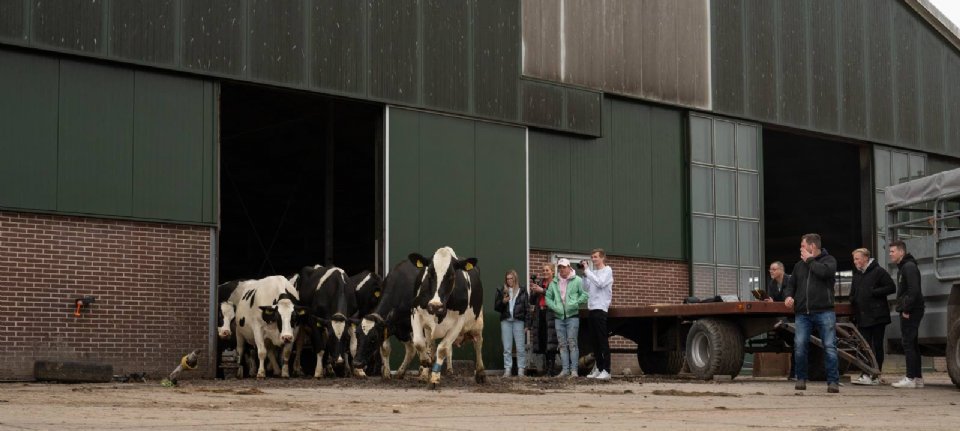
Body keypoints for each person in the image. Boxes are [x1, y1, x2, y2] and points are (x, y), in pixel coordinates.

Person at [784, 233, 840, 393]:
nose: (800, 249)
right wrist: (788, 296)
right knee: (800, 346)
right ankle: (801, 378)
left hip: (825, 312)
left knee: (829, 346)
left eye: (802, 246)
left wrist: (810, 260)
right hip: (803, 313)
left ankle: (833, 382)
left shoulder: (829, 261)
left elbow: (824, 273)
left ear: (812, 246)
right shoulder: (798, 266)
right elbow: (791, 285)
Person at [849, 248, 896, 386]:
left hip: (877, 316)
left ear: (866, 258)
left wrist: (873, 292)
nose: (855, 262)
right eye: (854, 259)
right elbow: (853, 292)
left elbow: (891, 287)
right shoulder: (857, 274)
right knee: (864, 346)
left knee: (876, 346)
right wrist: (853, 299)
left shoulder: (878, 271)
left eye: (857, 259)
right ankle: (865, 374)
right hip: (863, 317)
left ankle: (875, 374)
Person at [889, 240, 925, 389]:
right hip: (912, 309)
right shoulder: (904, 267)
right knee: (913, 344)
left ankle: (910, 377)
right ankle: (917, 378)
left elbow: (914, 290)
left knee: (908, 343)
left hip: (911, 310)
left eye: (893, 251)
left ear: (901, 252)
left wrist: (906, 309)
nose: (890, 254)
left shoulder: (908, 267)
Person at [546, 258, 588, 378]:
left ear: (569, 267)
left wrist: (575, 303)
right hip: (559, 317)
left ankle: (574, 371)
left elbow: (585, 295)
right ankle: (565, 370)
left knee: (572, 343)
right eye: (560, 267)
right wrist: (554, 307)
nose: (562, 269)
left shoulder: (578, 280)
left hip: (572, 316)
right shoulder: (554, 282)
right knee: (562, 344)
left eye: (564, 267)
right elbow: (548, 297)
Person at [581, 249, 613, 380]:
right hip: (592, 309)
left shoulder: (608, 271)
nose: (593, 259)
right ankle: (599, 369)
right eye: (592, 257)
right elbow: (586, 288)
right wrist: (584, 275)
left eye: (595, 257)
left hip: (601, 309)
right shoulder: (592, 272)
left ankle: (607, 370)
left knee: (602, 340)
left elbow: (600, 283)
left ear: (602, 258)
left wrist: (588, 271)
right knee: (594, 341)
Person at [495, 269, 528, 377]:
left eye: (511, 278)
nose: (509, 280)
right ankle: (507, 369)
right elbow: (496, 307)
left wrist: (527, 325)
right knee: (507, 348)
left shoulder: (522, 291)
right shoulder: (502, 290)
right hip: (506, 321)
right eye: (507, 278)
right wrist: (503, 302)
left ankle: (521, 370)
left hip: (519, 321)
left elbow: (526, 309)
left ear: (515, 278)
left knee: (520, 348)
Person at [528, 263, 559, 376]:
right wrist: (533, 291)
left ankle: (551, 369)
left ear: (552, 272)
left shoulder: (556, 283)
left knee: (551, 341)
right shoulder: (540, 283)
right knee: (543, 339)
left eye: (547, 270)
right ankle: (547, 368)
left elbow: (557, 297)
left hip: (550, 313)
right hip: (540, 313)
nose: (545, 272)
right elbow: (531, 301)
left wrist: (542, 291)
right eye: (543, 270)